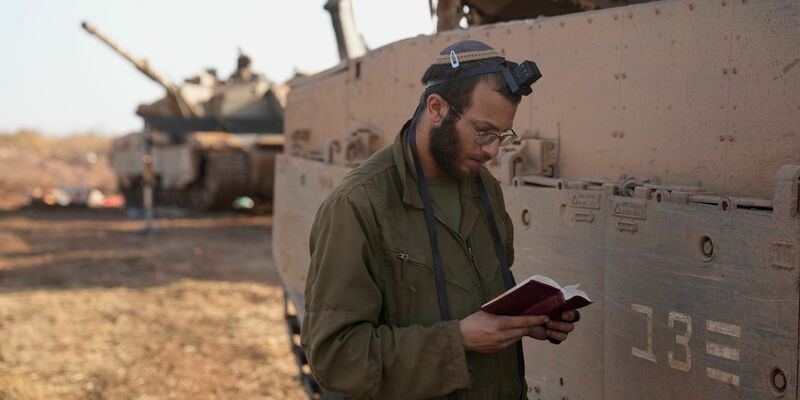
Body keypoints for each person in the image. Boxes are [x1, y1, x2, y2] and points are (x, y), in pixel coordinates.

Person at [302, 40, 580, 400]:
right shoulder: (357, 204)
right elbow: (335, 357)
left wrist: (529, 321)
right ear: (436, 108)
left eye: (502, 137)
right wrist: (459, 340)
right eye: (483, 132)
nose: (493, 151)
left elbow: (481, 305)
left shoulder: (485, 189)